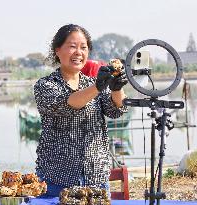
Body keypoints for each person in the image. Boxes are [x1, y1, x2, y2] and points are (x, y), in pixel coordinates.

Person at [33, 24, 128, 197]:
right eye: (72, 46)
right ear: (57, 50)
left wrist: (116, 87)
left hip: (96, 178)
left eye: (83, 48)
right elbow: (70, 104)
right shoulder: (46, 85)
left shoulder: (91, 83)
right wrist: (99, 86)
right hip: (57, 179)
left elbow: (116, 110)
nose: (79, 52)